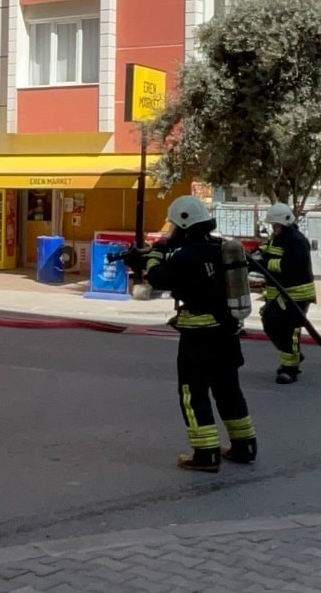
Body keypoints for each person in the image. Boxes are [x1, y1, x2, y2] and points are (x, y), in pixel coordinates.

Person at [130, 196, 256, 472]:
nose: (172, 230)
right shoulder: (220, 248)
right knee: (228, 390)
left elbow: (159, 278)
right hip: (227, 332)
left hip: (199, 338)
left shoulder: (186, 256)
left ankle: (205, 454)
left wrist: (153, 257)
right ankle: (244, 445)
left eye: (174, 225)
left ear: (184, 224)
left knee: (192, 392)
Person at [258, 203, 315, 384]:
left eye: (276, 225)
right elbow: (268, 251)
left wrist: (264, 264)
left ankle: (290, 369)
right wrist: (257, 254)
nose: (274, 228)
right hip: (279, 294)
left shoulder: (297, 241)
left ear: (285, 222)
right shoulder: (277, 238)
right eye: (272, 225)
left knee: (290, 330)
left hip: (296, 294)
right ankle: (292, 356)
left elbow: (291, 266)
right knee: (270, 324)